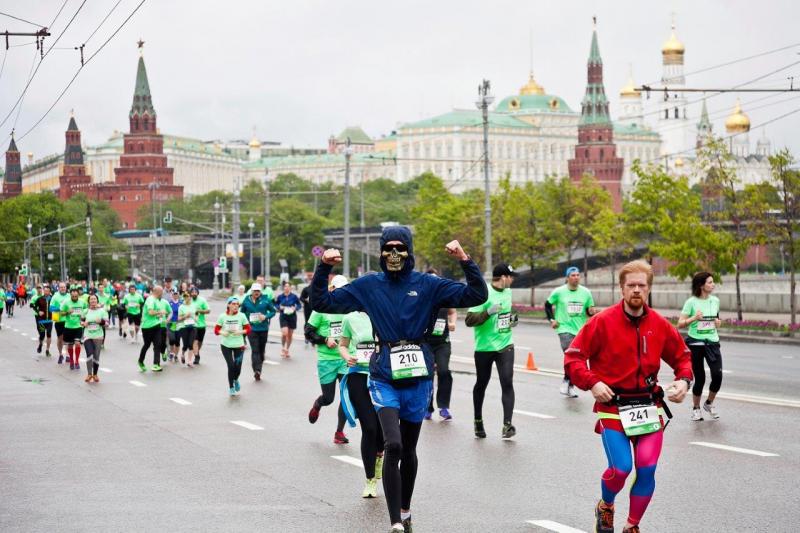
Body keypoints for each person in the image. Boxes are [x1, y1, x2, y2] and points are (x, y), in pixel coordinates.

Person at [311, 226, 487, 533]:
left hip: (418, 376)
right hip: (383, 374)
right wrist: (324, 266)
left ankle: (405, 511)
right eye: (388, 248)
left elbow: (476, 294)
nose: (394, 254)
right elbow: (322, 303)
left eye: (400, 248)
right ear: (380, 252)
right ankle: (394, 522)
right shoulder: (368, 286)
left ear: (409, 251)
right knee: (392, 443)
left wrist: (464, 260)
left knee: (408, 450)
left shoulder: (428, 284)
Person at [564, 260, 692, 533]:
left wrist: (684, 380)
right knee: (621, 469)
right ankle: (606, 505)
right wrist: (592, 382)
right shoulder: (601, 322)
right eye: (630, 285)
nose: (636, 290)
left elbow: (682, 357)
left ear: (648, 290)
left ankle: (632, 525)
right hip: (613, 407)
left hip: (649, 406)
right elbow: (573, 359)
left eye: (641, 285)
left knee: (646, 468)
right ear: (621, 288)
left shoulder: (659, 324)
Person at [466, 263, 519, 439]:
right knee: (482, 382)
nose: (512, 280)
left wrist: (512, 320)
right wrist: (488, 312)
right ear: (503, 277)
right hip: (484, 347)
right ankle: (477, 420)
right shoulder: (483, 293)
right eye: (511, 276)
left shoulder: (509, 292)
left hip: (505, 344)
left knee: (507, 381)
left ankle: (507, 425)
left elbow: (504, 317)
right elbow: (469, 320)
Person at [337, 299, 384, 498]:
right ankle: (370, 480)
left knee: (382, 430)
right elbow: (343, 345)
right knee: (370, 427)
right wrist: (346, 357)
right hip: (358, 375)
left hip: (382, 377)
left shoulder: (384, 312)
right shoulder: (350, 318)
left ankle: (380, 455)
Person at [305, 275, 349, 445]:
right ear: (332, 289)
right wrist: (324, 339)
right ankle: (318, 404)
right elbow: (308, 332)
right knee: (329, 398)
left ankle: (339, 432)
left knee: (347, 397)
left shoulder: (350, 308)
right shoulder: (320, 309)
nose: (342, 293)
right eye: (339, 289)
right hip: (327, 359)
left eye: (345, 289)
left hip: (346, 358)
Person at [545, 266, 598, 398]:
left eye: (578, 275)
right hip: (564, 329)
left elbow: (588, 310)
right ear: (567, 278)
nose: (576, 277)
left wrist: (591, 312)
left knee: (576, 358)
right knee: (571, 354)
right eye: (573, 275)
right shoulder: (559, 291)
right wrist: (552, 319)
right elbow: (547, 304)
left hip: (580, 330)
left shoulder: (586, 292)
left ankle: (568, 384)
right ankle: (567, 382)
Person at [678, 272, 723, 421]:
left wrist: (718, 323)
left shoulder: (715, 300)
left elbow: (717, 319)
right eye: (710, 282)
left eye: (713, 282)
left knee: (717, 375)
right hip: (696, 343)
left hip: (712, 342)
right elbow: (680, 323)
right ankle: (696, 408)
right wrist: (694, 318)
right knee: (700, 378)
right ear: (701, 285)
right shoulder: (691, 302)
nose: (713, 284)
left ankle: (709, 403)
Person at [424, 268, 457, 421]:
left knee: (444, 371)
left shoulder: (445, 296)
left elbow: (452, 312)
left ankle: (444, 406)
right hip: (426, 343)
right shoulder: (421, 297)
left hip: (443, 341)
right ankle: (427, 408)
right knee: (427, 375)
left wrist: (452, 322)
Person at [214, 297, 251, 396]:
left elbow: (248, 329)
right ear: (228, 305)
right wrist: (223, 332)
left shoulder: (241, 316)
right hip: (226, 345)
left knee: (237, 368)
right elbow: (216, 330)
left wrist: (240, 331)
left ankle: (236, 379)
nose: (236, 306)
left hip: (239, 345)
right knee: (230, 366)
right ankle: (231, 387)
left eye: (237, 304)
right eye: (233, 304)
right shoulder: (222, 316)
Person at [240, 283, 276, 381]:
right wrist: (245, 321)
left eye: (258, 291)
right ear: (251, 291)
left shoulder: (265, 299)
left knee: (261, 351)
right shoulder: (246, 300)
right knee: (255, 350)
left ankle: (258, 366)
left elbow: (273, 311)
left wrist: (266, 316)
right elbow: (242, 313)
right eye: (255, 291)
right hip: (251, 329)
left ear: (260, 291)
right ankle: (257, 371)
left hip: (263, 329)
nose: (256, 292)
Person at [138, 286, 167, 372]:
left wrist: (159, 315)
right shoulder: (150, 300)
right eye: (162, 292)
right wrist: (160, 312)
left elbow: (155, 314)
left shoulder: (157, 301)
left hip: (156, 326)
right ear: (157, 292)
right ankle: (140, 361)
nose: (162, 294)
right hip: (147, 327)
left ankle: (156, 365)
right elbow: (150, 312)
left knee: (158, 344)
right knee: (146, 345)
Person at [81, 294, 108, 383]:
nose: (93, 301)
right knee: (89, 354)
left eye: (94, 299)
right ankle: (89, 374)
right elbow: (81, 321)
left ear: (97, 301)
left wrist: (101, 321)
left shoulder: (102, 311)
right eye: (91, 299)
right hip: (87, 335)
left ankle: (95, 374)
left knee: (96, 356)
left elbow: (107, 324)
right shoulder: (85, 311)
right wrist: (83, 324)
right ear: (89, 301)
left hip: (98, 336)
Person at [60, 287, 88, 370]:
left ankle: (77, 361)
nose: (75, 298)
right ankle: (71, 360)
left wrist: (83, 315)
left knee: (77, 343)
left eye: (76, 296)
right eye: (73, 296)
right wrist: (68, 312)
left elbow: (86, 309)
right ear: (70, 296)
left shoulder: (82, 302)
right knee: (70, 345)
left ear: (78, 295)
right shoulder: (66, 302)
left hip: (78, 326)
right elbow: (61, 313)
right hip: (68, 326)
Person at [275, 283, 302, 358]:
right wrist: (279, 307)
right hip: (283, 316)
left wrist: (295, 308)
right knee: (284, 333)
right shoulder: (280, 296)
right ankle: (283, 348)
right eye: (285, 286)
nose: (286, 288)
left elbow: (299, 305)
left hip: (292, 316)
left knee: (290, 335)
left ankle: (287, 349)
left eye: (288, 286)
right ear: (283, 288)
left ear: (290, 288)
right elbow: (276, 304)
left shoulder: (294, 296)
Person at [190, 286, 210, 364]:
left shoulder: (202, 300)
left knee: (200, 342)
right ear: (190, 293)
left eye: (195, 292)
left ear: (198, 293)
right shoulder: (189, 301)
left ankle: (197, 351)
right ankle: (197, 356)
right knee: (194, 341)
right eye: (192, 292)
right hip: (192, 325)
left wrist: (199, 311)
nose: (194, 293)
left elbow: (208, 311)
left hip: (201, 325)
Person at [50, 282, 69, 363]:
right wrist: (59, 309)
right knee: (60, 338)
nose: (63, 288)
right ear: (58, 288)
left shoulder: (69, 296)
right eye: (61, 287)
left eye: (64, 287)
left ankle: (68, 355)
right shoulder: (55, 296)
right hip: (59, 320)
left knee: (67, 338)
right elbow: (51, 308)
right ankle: (60, 354)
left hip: (68, 320)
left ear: (66, 288)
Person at [177, 291, 198, 366]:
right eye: (184, 296)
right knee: (185, 344)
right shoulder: (181, 307)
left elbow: (196, 316)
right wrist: (185, 316)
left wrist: (195, 318)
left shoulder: (194, 306)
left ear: (190, 297)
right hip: (183, 326)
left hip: (193, 326)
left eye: (187, 296)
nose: (186, 298)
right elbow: (178, 319)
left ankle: (189, 361)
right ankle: (182, 354)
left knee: (190, 344)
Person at [33, 285, 54, 356]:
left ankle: (47, 350)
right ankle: (40, 344)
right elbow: (34, 306)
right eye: (45, 291)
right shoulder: (40, 299)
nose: (46, 292)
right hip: (41, 320)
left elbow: (56, 307)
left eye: (47, 291)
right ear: (43, 291)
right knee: (42, 335)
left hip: (49, 321)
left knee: (49, 334)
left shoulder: (52, 299)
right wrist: (38, 311)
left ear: (50, 292)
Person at [166, 290, 182, 362]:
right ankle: (172, 353)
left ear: (178, 295)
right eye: (174, 294)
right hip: (171, 323)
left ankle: (176, 355)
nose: (175, 296)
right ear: (172, 295)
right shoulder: (169, 303)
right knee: (172, 339)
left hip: (178, 324)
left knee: (177, 341)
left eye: (176, 294)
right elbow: (167, 312)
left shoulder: (181, 303)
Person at [299, 275, 313, 346]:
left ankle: (313, 337)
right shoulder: (306, 289)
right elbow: (301, 298)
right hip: (307, 309)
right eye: (310, 280)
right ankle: (306, 337)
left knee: (315, 323)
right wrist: (305, 300)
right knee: (307, 322)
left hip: (315, 309)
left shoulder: (317, 289)